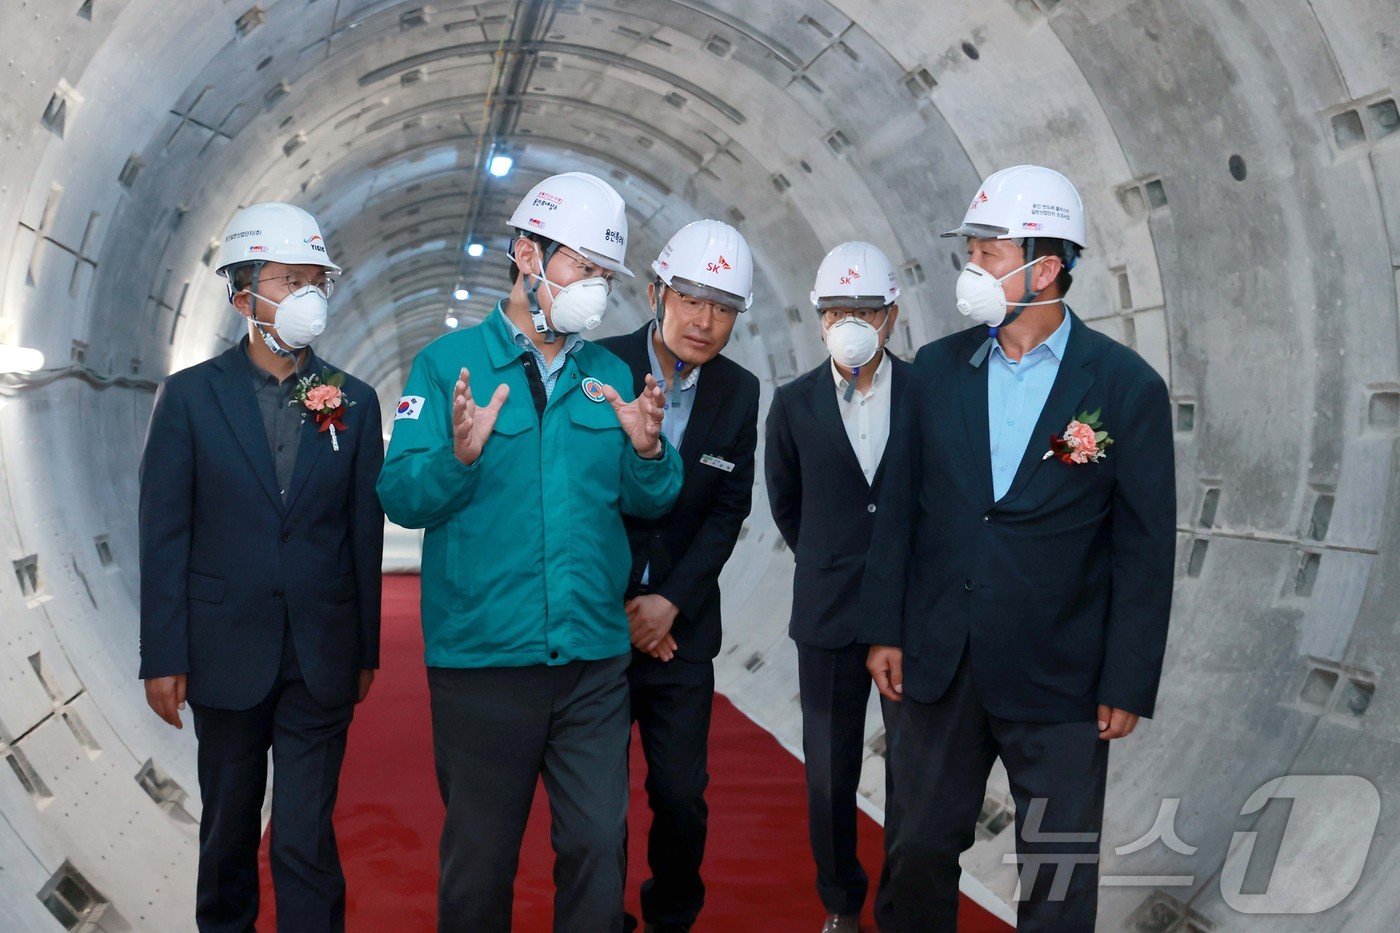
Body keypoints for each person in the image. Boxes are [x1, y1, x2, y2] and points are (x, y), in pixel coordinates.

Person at [862, 165, 1176, 931]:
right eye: (970, 250)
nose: (972, 267)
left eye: (989, 252)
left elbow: (1143, 545)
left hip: (1062, 675)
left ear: (1045, 267)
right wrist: (885, 628)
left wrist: (1128, 677)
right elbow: (898, 508)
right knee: (918, 849)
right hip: (940, 661)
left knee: (1059, 874)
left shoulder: (1125, 386)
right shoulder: (936, 370)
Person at [375, 171, 684, 933]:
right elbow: (401, 495)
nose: (595, 287)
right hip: (484, 659)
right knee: (480, 860)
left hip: (591, 660)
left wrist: (649, 451)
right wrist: (457, 457)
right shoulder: (447, 366)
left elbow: (649, 503)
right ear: (526, 255)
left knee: (597, 846)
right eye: (582, 265)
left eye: (606, 273)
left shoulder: (609, 375)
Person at [139, 201, 383, 932]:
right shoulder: (189, 397)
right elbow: (164, 534)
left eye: (316, 280)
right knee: (229, 828)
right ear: (243, 295)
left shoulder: (356, 401)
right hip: (224, 650)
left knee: (305, 835)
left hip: (319, 654)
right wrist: (163, 654)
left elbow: (361, 534)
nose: (309, 294)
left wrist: (365, 649)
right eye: (289, 279)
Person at [597, 219, 760, 933]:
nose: (704, 320)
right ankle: (599, 916)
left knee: (681, 795)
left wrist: (669, 603)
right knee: (595, 799)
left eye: (723, 307)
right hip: (598, 623)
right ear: (655, 293)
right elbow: (580, 496)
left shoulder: (740, 391)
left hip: (680, 632)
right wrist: (623, 603)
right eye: (691, 299)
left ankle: (671, 916)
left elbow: (727, 510)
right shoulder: (598, 368)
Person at [765, 241, 908, 933]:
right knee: (828, 770)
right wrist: (829, 561)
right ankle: (841, 903)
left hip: (911, 616)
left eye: (865, 310)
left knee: (916, 769)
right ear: (818, 318)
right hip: (826, 615)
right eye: (835, 311)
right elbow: (786, 504)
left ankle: (906, 900)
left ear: (891, 317)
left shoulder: (929, 395)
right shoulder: (793, 404)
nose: (849, 323)